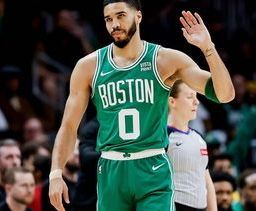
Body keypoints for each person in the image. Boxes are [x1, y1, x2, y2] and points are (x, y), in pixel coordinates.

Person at [49, 0, 235, 210]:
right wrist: (56, 172)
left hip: (152, 165)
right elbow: (69, 126)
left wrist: (208, 48)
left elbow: (225, 94)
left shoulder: (164, 59)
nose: (114, 25)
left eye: (121, 16)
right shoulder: (88, 66)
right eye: (108, 19)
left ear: (138, 16)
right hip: (111, 167)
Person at [166, 80, 217, 211]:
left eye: (196, 96)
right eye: (190, 97)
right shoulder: (162, 136)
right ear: (172, 101)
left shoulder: (199, 138)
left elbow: (206, 181)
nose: (196, 102)